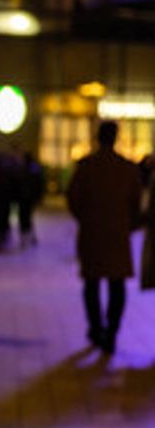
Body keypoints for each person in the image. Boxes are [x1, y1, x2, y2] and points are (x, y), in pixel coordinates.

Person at [67, 121, 143, 353]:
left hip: (92, 233)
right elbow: (136, 204)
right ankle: (111, 331)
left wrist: (86, 219)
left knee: (91, 283)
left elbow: (73, 199)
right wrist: (128, 225)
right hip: (117, 235)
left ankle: (96, 327)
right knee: (116, 284)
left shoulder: (86, 167)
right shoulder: (127, 169)